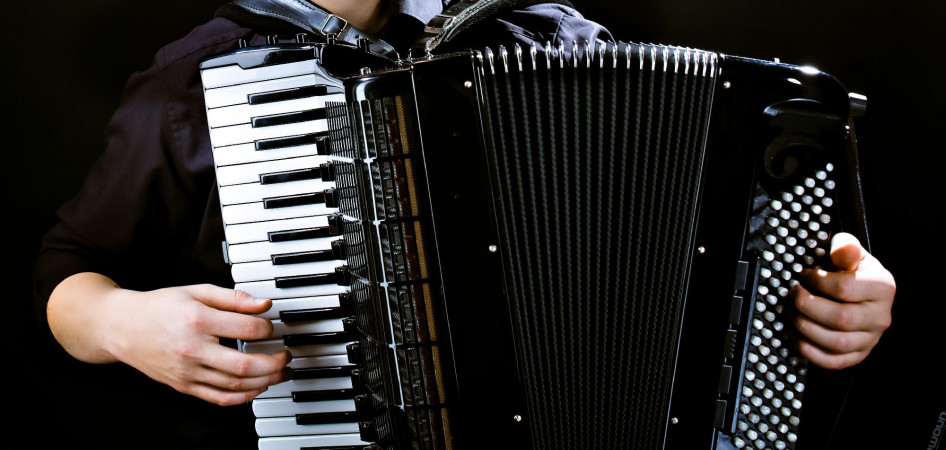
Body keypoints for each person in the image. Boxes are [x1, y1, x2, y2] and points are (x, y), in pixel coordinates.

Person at [33, 0, 897, 448]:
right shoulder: (203, 74)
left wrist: (851, 289)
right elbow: (70, 269)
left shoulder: (551, 36)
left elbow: (732, 233)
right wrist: (119, 319)